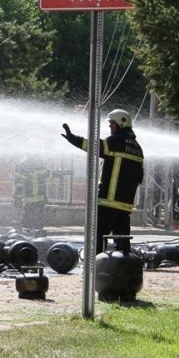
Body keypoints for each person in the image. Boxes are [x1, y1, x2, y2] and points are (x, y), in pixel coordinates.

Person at [61, 109, 144, 254]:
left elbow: (94, 147)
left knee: (97, 237)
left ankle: (97, 266)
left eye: (112, 124)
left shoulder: (116, 141)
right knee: (122, 241)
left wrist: (73, 139)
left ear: (121, 123)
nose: (110, 127)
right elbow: (140, 178)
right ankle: (123, 269)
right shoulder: (138, 148)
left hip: (108, 202)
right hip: (125, 206)